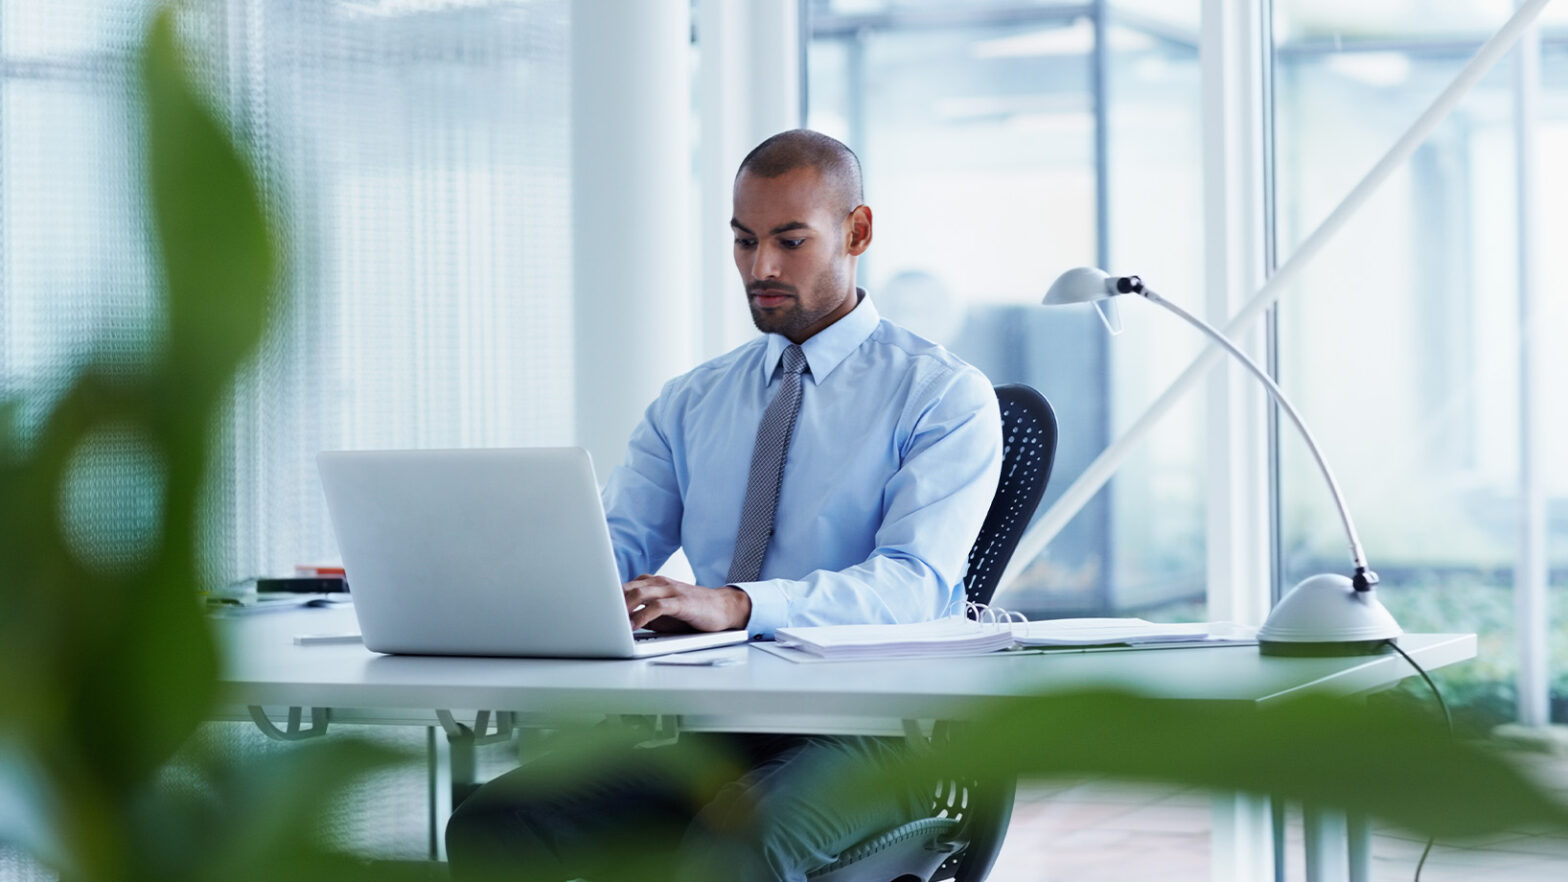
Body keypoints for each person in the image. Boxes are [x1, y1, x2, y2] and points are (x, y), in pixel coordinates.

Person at [445, 129, 1003, 882]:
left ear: (857, 232)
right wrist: (500, 581)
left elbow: (913, 584)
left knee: (733, 855)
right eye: (743, 242)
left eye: (790, 241)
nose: (760, 268)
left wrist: (738, 604)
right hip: (715, 725)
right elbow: (613, 544)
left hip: (870, 736)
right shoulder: (693, 400)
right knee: (498, 822)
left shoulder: (941, 394)